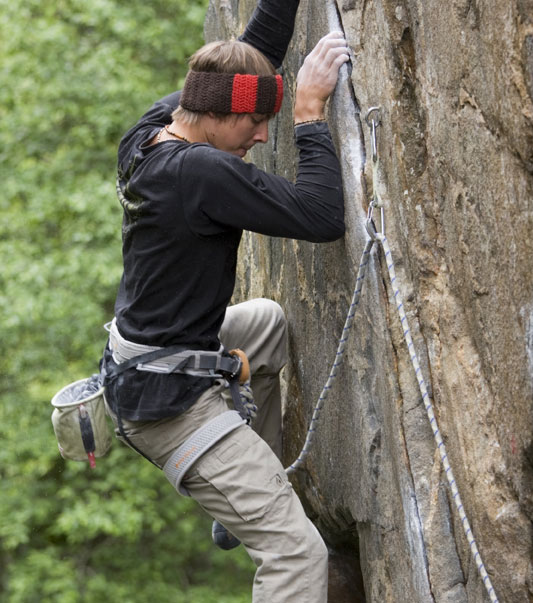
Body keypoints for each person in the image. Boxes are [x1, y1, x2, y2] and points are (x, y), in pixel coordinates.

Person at [101, 1, 350, 600]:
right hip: (172, 408)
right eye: (254, 122)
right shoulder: (202, 174)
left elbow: (252, 53)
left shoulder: (152, 131)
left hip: (147, 365)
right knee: (294, 552)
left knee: (264, 325)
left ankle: (239, 487)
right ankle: (238, 483)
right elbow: (322, 216)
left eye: (271, 120)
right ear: (217, 116)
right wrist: (310, 114)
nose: (263, 134)